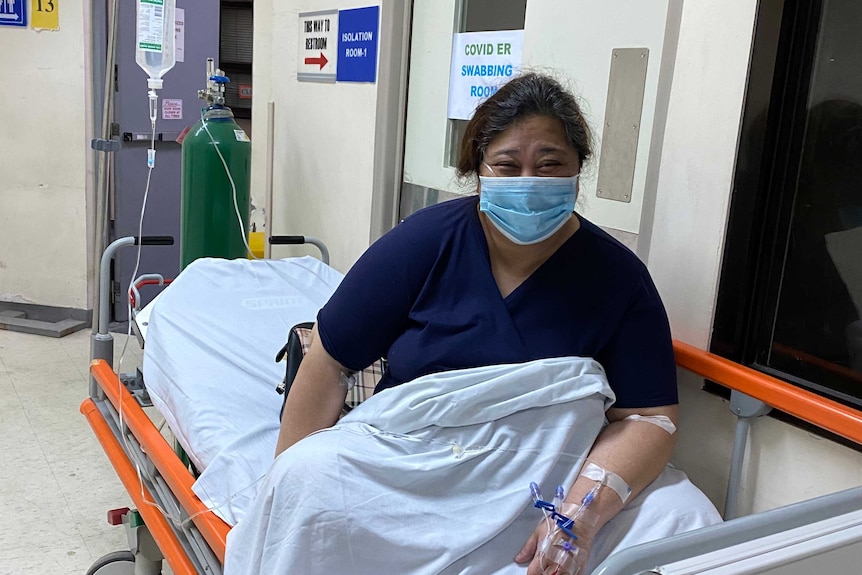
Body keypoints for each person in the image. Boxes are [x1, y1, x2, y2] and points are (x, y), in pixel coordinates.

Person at [276, 72, 680, 575]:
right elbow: (329, 361)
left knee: (681, 515)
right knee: (310, 476)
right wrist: (285, 479)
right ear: (478, 170)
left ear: (579, 169)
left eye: (550, 164)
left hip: (548, 485)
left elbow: (650, 420)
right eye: (508, 165)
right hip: (412, 474)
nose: (528, 183)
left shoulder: (618, 278)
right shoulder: (423, 244)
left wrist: (579, 513)